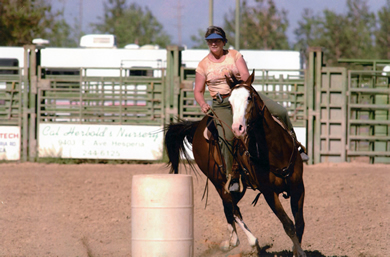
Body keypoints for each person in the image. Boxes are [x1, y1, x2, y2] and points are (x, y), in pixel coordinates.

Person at [194, 26, 308, 192]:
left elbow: (245, 75)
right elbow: (198, 90)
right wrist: (203, 104)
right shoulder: (203, 65)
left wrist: (240, 88)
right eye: (210, 40)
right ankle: (231, 175)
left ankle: (295, 145)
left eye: (217, 40)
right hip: (223, 103)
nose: (213, 43)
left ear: (223, 42)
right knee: (228, 135)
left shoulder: (234, 55)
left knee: (280, 112)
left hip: (242, 94)